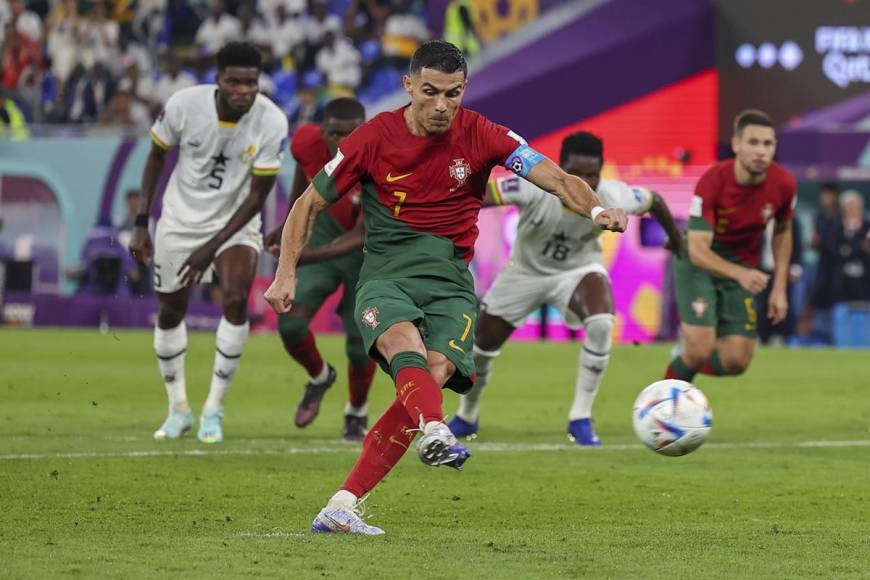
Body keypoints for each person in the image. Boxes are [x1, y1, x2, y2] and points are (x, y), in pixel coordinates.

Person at [264, 40, 627, 535]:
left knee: (430, 377)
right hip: (388, 274)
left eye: (452, 94)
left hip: (452, 282)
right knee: (404, 347)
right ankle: (435, 429)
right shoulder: (373, 138)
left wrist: (597, 210)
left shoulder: (483, 134)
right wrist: (287, 271)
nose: (441, 106)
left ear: (464, 90)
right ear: (409, 85)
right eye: (430, 92)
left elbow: (558, 178)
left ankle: (342, 503)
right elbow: (308, 205)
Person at [447, 131, 683, 446]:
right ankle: (467, 415)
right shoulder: (533, 187)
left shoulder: (615, 196)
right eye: (577, 173)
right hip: (524, 274)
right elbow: (481, 196)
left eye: (593, 174)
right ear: (561, 168)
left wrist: (676, 239)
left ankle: (580, 418)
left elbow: (655, 201)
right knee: (481, 351)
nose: (586, 182)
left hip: (577, 271)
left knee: (601, 322)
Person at [129, 42, 289, 444]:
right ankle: (178, 409)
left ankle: (214, 410)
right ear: (218, 80)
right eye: (233, 81)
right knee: (170, 310)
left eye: (250, 82)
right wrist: (140, 222)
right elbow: (154, 158)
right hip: (180, 221)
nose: (243, 90)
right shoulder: (184, 105)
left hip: (236, 223)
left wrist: (212, 246)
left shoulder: (272, 121)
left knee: (235, 299)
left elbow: (258, 195)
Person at [263, 97, 376, 442]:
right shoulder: (306, 141)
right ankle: (319, 376)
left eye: (349, 133)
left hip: (366, 252)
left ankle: (356, 413)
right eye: (333, 133)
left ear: (363, 131)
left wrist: (306, 256)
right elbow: (305, 177)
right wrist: (287, 225)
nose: (340, 142)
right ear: (322, 130)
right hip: (323, 227)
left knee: (361, 342)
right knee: (291, 321)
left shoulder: (379, 159)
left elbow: (363, 232)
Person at [664, 109, 796, 382]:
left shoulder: (784, 184)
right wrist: (742, 274)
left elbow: (783, 231)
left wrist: (780, 288)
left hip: (741, 268)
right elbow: (698, 251)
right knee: (700, 349)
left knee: (736, 361)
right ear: (736, 144)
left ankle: (685, 356)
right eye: (753, 143)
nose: (760, 151)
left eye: (767, 144)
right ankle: (664, 408)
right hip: (697, 264)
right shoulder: (713, 181)